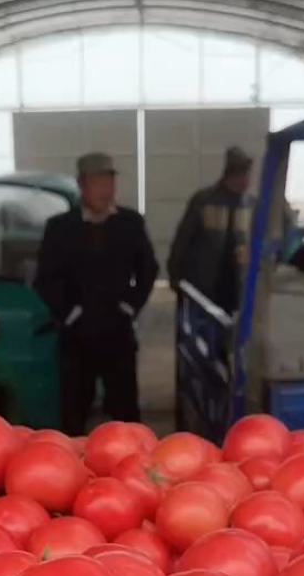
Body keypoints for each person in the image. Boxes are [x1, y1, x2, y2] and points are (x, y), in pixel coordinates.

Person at [35, 152, 158, 435]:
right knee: (74, 407)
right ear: (82, 185)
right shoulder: (60, 228)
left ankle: (129, 463)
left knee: (125, 407)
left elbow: (148, 269)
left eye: (109, 181)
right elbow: (45, 279)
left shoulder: (130, 224)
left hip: (118, 328)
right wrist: (69, 313)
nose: (106, 189)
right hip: (77, 333)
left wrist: (130, 305)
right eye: (98, 182)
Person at [167, 147, 256, 313]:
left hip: (236, 288)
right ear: (231, 175)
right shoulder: (203, 201)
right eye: (243, 175)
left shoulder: (250, 205)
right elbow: (183, 239)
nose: (247, 180)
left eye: (247, 174)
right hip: (204, 287)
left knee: (230, 335)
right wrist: (175, 276)